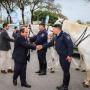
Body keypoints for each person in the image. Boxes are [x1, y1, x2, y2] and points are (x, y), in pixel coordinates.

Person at [37, 24, 73, 90]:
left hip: (66, 57)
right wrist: (42, 46)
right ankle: (63, 84)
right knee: (64, 71)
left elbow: (70, 45)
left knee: (66, 71)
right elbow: (50, 43)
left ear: (57, 28)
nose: (52, 30)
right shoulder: (56, 36)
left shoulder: (65, 35)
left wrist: (69, 55)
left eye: (53, 29)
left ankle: (65, 86)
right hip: (61, 56)